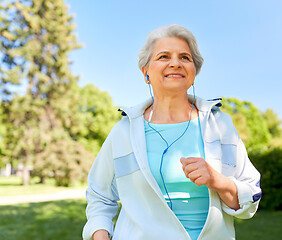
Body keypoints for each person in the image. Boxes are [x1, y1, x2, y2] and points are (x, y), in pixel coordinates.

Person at [82, 24, 262, 240]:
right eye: (164, 56)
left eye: (185, 58)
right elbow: (99, 196)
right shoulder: (124, 131)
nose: (175, 63)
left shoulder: (220, 124)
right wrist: (100, 236)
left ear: (194, 73)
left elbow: (249, 199)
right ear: (146, 72)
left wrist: (218, 181)